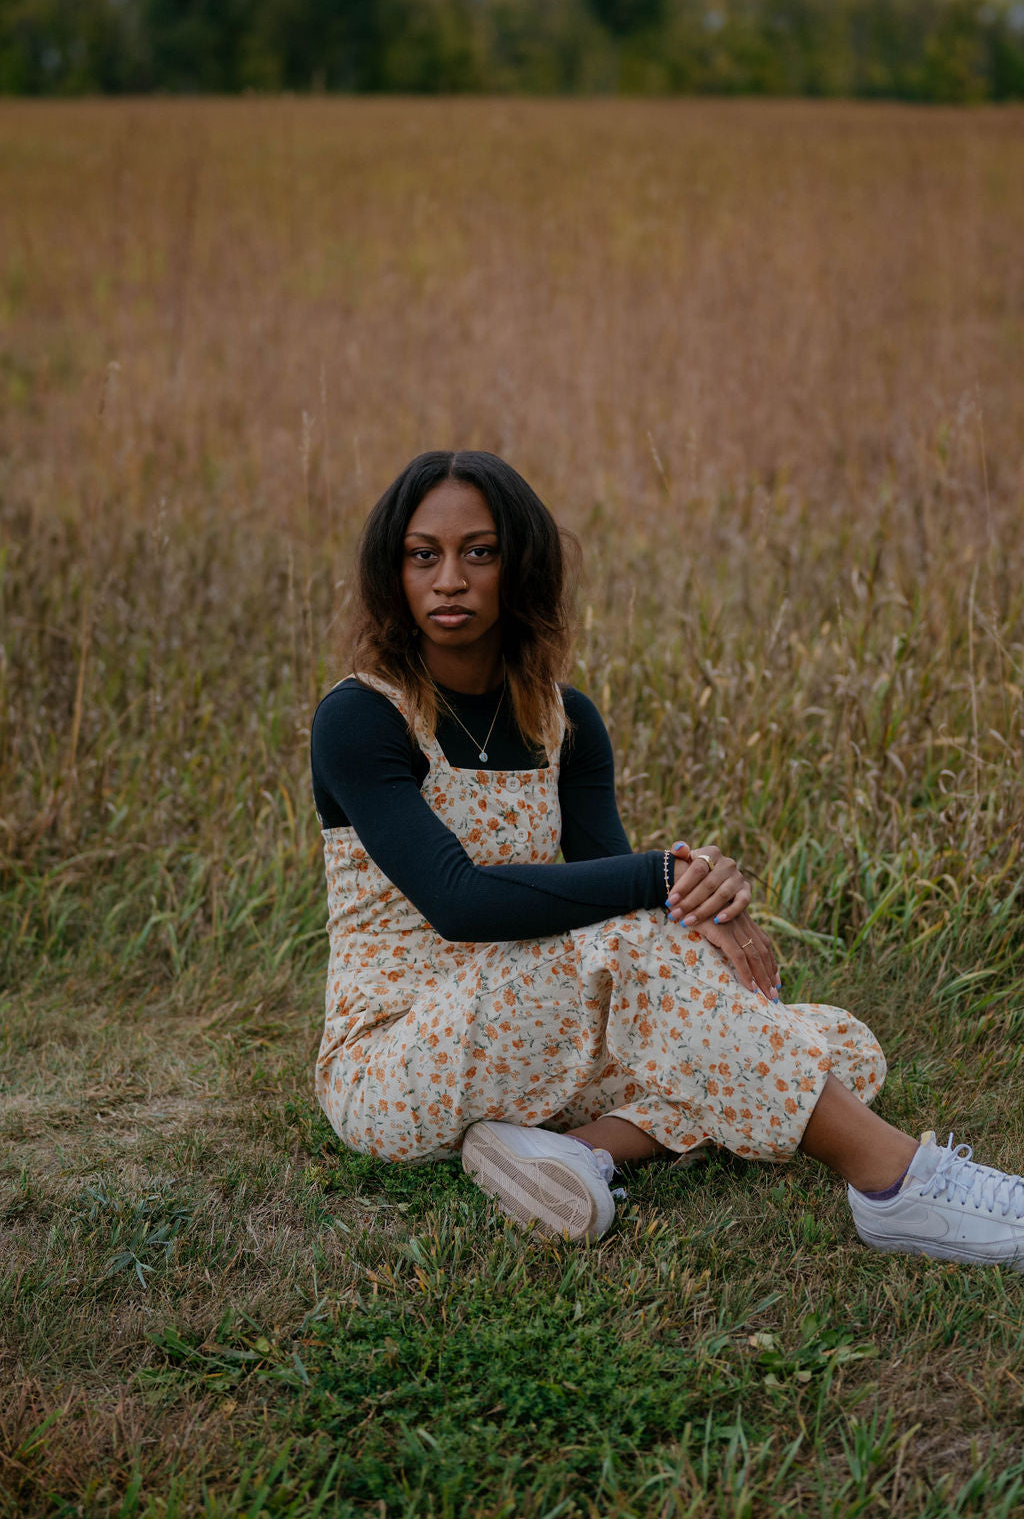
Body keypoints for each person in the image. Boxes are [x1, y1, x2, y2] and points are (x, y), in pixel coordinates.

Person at [310, 449, 1024, 1266]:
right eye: (421, 554)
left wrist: (695, 904)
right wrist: (664, 879)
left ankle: (582, 1153)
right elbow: (459, 901)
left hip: (531, 1045)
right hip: (400, 1064)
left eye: (480, 551)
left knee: (837, 1043)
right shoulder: (362, 718)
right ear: (391, 571)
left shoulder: (563, 721)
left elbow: (610, 899)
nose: (449, 579)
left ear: (521, 567)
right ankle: (900, 1186)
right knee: (668, 971)